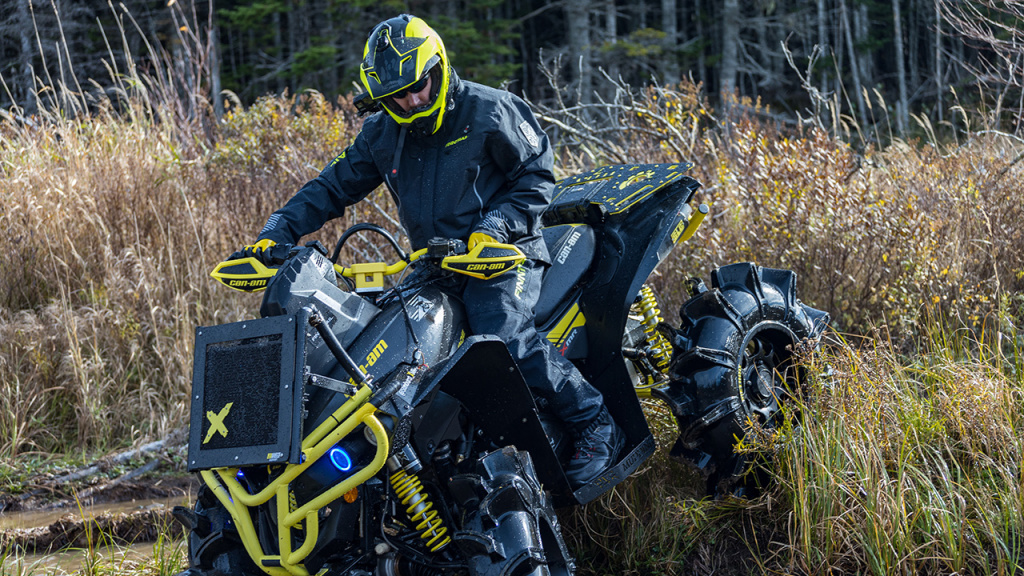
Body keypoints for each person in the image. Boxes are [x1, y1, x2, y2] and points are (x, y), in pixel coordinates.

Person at [228, 14, 623, 487]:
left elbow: (536, 176)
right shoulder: (381, 135)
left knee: (501, 337)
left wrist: (494, 227)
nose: (414, 98)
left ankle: (594, 423)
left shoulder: (490, 109)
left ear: (438, 65)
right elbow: (329, 188)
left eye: (421, 84)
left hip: (504, 256)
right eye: (400, 93)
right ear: (382, 96)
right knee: (382, 347)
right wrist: (276, 232)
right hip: (435, 267)